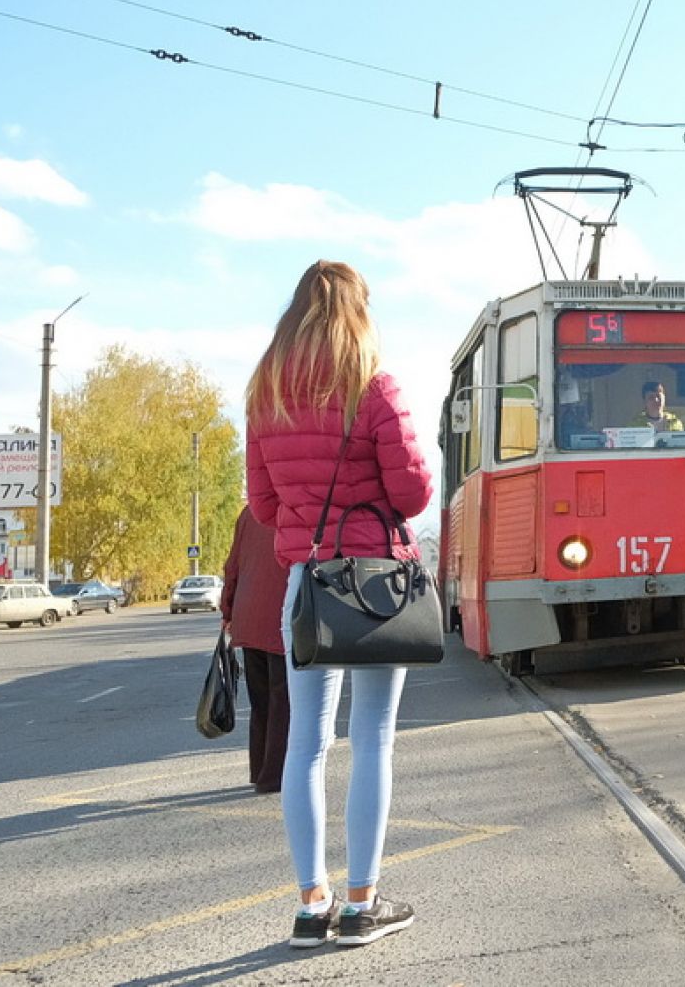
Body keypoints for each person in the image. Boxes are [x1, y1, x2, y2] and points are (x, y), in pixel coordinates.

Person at [244, 260, 434, 950]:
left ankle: (309, 904)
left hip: (310, 586)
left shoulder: (266, 394)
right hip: (378, 585)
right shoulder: (374, 384)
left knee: (306, 745)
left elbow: (264, 506)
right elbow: (412, 494)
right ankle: (360, 904)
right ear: (358, 310)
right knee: (374, 736)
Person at [220, 509, 290, 794]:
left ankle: (259, 768)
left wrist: (228, 610)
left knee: (261, 702)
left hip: (248, 616)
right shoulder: (298, 507)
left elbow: (232, 566)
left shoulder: (250, 513)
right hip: (282, 616)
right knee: (283, 702)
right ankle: (273, 777)